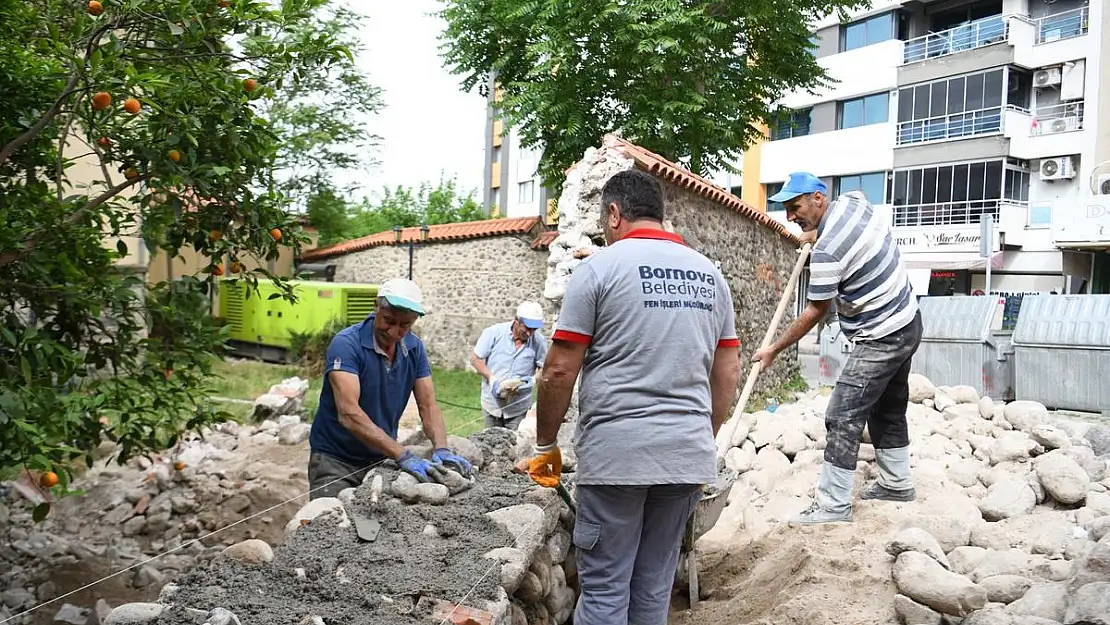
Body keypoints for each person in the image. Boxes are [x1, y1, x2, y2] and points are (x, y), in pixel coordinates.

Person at [524, 169, 742, 625]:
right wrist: (702, 437)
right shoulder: (710, 276)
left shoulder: (599, 269)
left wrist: (546, 447)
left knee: (604, 591)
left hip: (618, 457)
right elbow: (727, 371)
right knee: (652, 589)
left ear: (614, 213)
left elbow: (559, 370)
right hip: (686, 457)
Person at [752, 172, 922, 525]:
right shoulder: (853, 202)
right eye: (786, 209)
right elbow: (849, 211)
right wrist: (818, 231)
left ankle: (832, 506)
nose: (790, 217)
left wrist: (773, 349)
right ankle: (897, 483)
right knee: (887, 408)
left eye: (795, 207)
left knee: (842, 414)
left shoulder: (828, 250)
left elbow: (817, 310)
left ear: (817, 198)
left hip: (881, 336)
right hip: (908, 321)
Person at [306, 278, 473, 500]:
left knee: (376, 525)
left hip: (380, 457)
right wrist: (402, 455)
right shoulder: (347, 344)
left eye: (404, 325)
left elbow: (428, 405)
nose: (394, 332)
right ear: (377, 306)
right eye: (388, 321)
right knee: (329, 524)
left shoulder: (414, 348)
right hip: (336, 460)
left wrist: (441, 448)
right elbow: (348, 413)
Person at [469, 301, 549, 431]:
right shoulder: (494, 333)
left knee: (514, 446)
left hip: (518, 408)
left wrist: (533, 380)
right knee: (490, 444)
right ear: (516, 320)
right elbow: (475, 359)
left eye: (534, 329)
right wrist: (491, 378)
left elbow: (543, 367)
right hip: (492, 404)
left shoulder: (539, 341)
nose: (530, 333)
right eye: (527, 328)